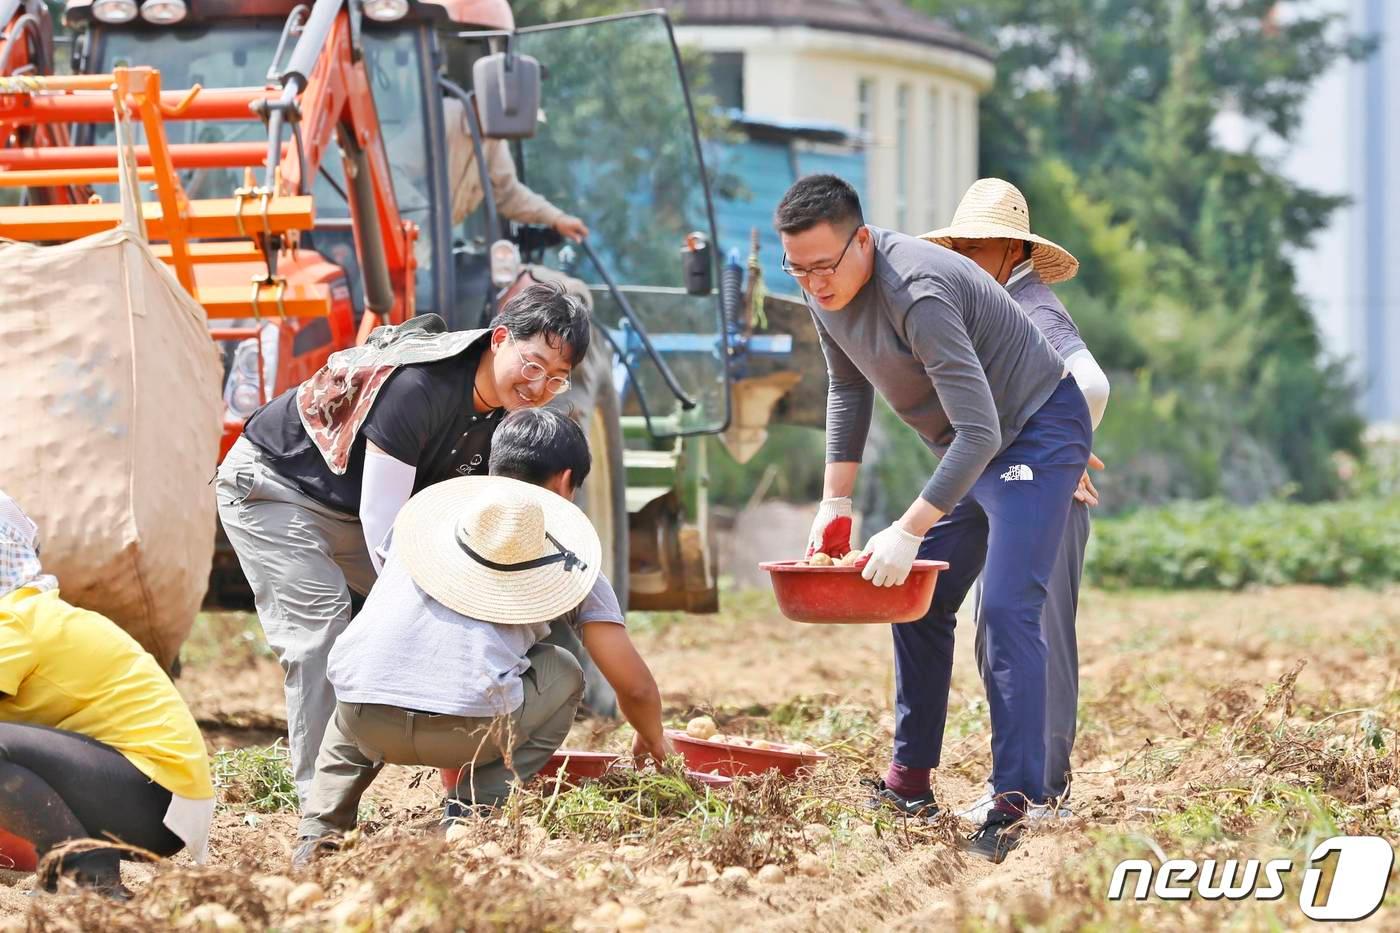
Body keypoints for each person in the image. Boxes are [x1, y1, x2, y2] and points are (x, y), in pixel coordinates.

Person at [776, 174, 1090, 863]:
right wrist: (837, 504)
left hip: (1035, 431)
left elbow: (981, 432)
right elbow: (847, 385)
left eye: (824, 266)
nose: (814, 284)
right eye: (796, 270)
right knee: (917, 598)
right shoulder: (825, 294)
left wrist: (909, 526)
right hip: (972, 446)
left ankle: (1019, 797)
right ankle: (909, 781)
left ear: (863, 240)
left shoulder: (918, 291)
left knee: (1006, 610)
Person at [216, 282, 590, 803]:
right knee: (324, 630)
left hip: (350, 509)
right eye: (532, 366)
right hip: (276, 490)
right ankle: (317, 805)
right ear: (500, 338)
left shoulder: (506, 422)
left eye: (556, 379)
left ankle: (459, 784)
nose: (538, 387)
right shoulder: (421, 387)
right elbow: (384, 524)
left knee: (455, 612)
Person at [293, 410, 670, 866]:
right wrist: (654, 741)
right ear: (566, 481)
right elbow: (633, 686)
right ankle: (475, 814)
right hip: (468, 733)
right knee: (565, 671)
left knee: (365, 671)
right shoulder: (571, 562)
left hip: (363, 719)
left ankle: (321, 830)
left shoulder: (420, 524)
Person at [922, 178, 1111, 819]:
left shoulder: (1032, 309)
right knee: (1005, 632)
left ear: (1011, 252)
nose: (965, 258)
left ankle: (1040, 792)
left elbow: (1091, 382)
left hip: (1039, 492)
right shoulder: (994, 306)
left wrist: (1061, 456)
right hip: (1013, 489)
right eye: (960, 247)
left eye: (977, 247)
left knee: (1030, 634)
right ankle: (1027, 784)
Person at [0, 492, 214, 897]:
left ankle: (87, 873)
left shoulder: (17, 619)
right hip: (140, 793)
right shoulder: (28, 611)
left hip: (154, 797)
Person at [442, 96, 589, 240]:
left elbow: (508, 194)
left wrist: (556, 219)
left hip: (432, 248)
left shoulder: (493, 139)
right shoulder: (441, 116)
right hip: (423, 240)